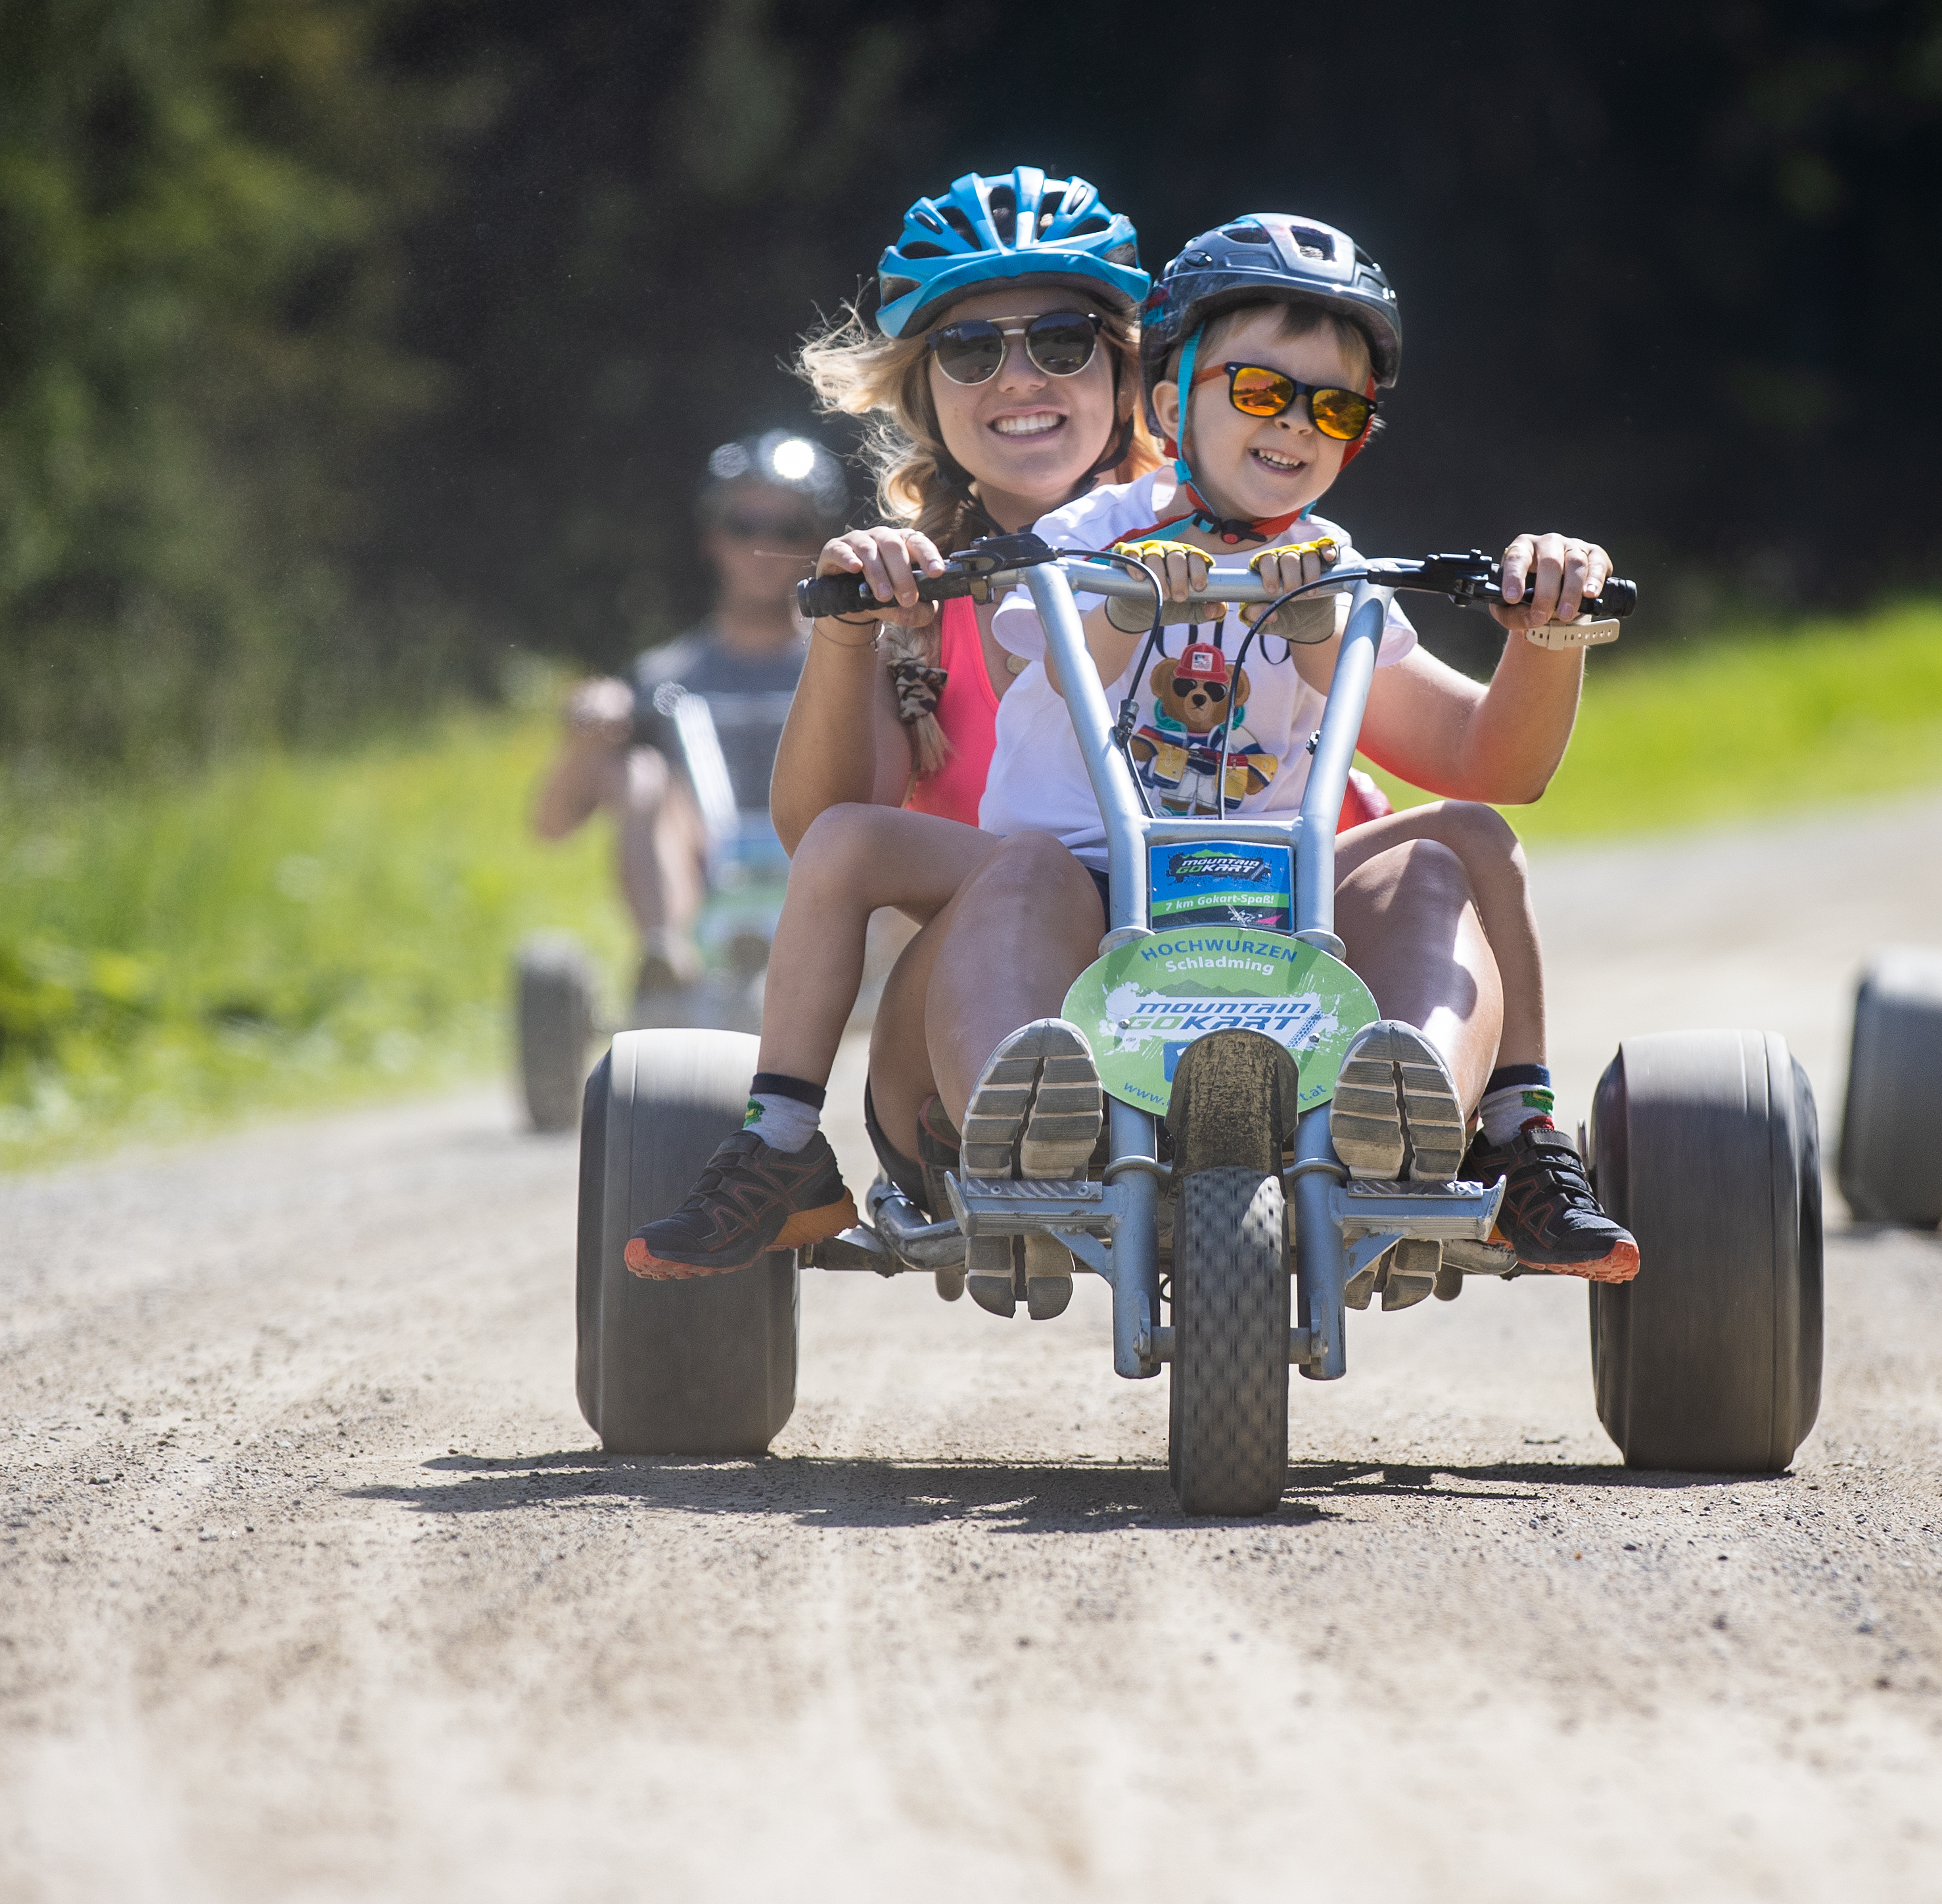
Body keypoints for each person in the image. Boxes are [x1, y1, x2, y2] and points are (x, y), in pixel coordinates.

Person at [624, 193, 1625, 1287]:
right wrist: (897, 627)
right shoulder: (1023, 558)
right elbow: (986, 706)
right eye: (970, 348)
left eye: (1061, 341)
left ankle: (1444, 1106)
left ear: (1124, 370)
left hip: (1271, 918)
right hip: (1036, 934)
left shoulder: (1320, 554)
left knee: (1465, 838)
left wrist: (1544, 633)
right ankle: (956, 1112)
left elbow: (1493, 763)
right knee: (1012, 864)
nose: (1022, 379)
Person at [532, 430, 845, 993]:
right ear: (712, 538)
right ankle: (669, 958)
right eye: (743, 526)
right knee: (638, 773)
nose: (762, 546)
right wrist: (587, 741)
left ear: (819, 541)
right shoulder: (661, 679)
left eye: (788, 528)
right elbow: (551, 827)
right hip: (702, 879)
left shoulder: (850, 661)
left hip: (835, 883)